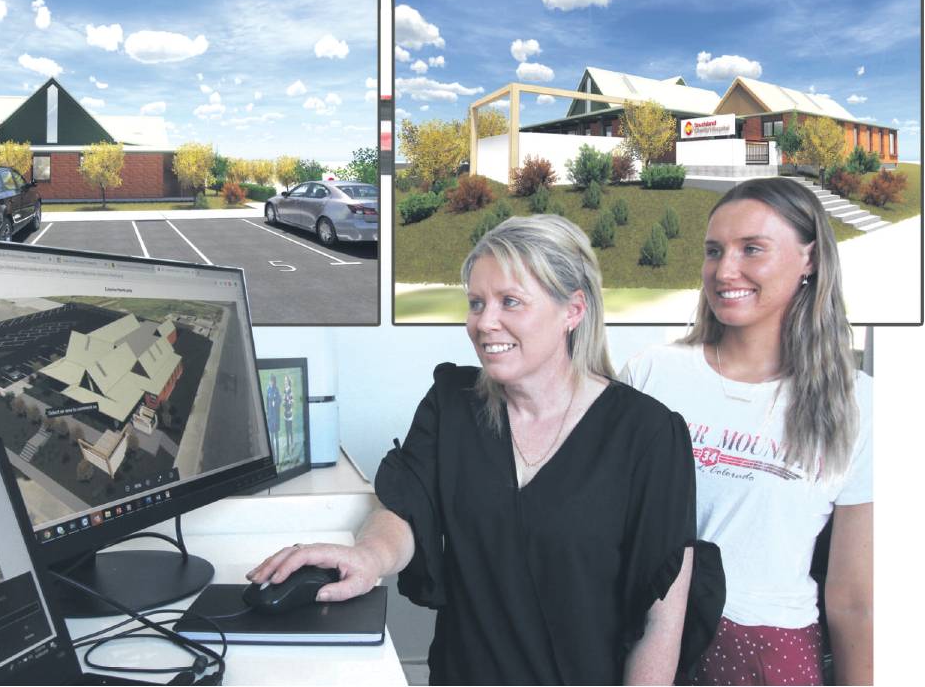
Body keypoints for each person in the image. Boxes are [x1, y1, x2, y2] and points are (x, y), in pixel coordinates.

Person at [250, 215, 707, 685]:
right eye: (476, 302)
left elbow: (661, 624)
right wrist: (369, 556)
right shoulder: (452, 403)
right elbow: (408, 509)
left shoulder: (649, 435)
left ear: (573, 310)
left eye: (510, 301)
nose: (485, 323)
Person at [622, 177, 873, 685]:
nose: (724, 270)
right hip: (645, 642)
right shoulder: (652, 373)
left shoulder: (858, 402)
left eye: (751, 249)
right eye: (714, 251)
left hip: (770, 653)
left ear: (810, 260)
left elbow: (853, 599)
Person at [265, 374, 281, 455]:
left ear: (274, 382)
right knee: (271, 437)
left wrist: (276, 403)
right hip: (271, 417)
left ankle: (277, 456)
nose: (271, 383)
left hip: (276, 417)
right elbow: (267, 402)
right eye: (270, 381)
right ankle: (273, 455)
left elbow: (280, 400)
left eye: (272, 381)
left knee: (276, 437)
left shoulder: (277, 390)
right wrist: (267, 413)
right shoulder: (268, 390)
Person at [282, 375, 294, 454]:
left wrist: (287, 401)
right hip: (285, 413)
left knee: (290, 430)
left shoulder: (290, 391)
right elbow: (284, 402)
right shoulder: (285, 391)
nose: (285, 382)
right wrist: (285, 401)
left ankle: (291, 445)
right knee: (287, 430)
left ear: (288, 382)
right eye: (284, 381)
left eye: (286, 380)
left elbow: (291, 402)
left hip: (289, 413)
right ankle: (288, 447)